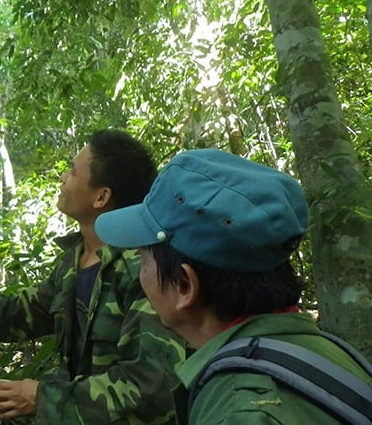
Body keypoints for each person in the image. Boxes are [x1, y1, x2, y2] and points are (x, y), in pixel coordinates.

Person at [94, 148, 372, 424]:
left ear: (184, 285)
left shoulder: (239, 411)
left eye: (144, 259)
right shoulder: (330, 354)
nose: (141, 274)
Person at [0, 129, 187, 424]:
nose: (63, 178)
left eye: (73, 172)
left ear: (101, 197)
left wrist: (43, 397)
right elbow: (16, 314)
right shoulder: (72, 265)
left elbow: (153, 387)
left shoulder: (143, 269)